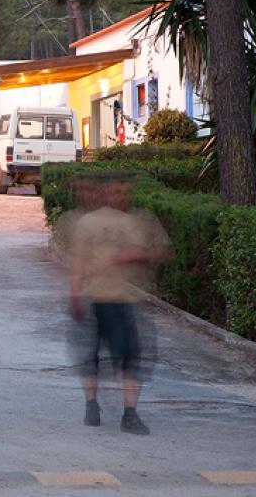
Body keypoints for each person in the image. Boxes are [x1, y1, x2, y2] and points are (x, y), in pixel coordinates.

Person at [68, 176, 170, 435]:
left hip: (123, 298)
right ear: (105, 192)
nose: (120, 196)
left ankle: (126, 412)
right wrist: (75, 295)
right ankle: (95, 406)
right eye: (115, 191)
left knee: (125, 358)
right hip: (101, 298)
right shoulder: (94, 222)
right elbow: (78, 263)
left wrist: (136, 254)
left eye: (123, 192)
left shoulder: (130, 221)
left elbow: (160, 252)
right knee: (97, 357)